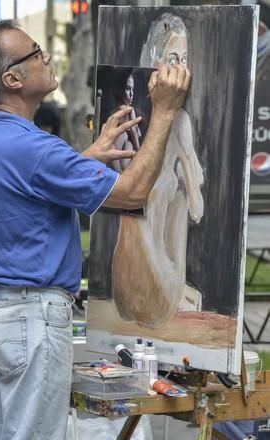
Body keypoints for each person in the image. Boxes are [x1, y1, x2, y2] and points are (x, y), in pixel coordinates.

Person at [0, 20, 190, 439]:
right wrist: (166, 110)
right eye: (35, 52)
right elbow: (131, 192)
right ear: (13, 78)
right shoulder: (35, 149)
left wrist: (84, 159)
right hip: (28, 321)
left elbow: (24, 186)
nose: (46, 56)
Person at [112, 12, 205, 325]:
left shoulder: (180, 124)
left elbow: (196, 209)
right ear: (154, 62)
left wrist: (187, 174)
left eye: (185, 59)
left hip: (158, 286)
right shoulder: (127, 123)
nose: (181, 69)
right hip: (124, 286)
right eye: (172, 59)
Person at [110, 70, 141, 172]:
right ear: (119, 90)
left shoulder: (113, 112)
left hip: (116, 159)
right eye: (128, 89)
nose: (131, 94)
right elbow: (133, 131)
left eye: (133, 89)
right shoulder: (129, 110)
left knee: (128, 143)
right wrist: (140, 153)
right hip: (118, 155)